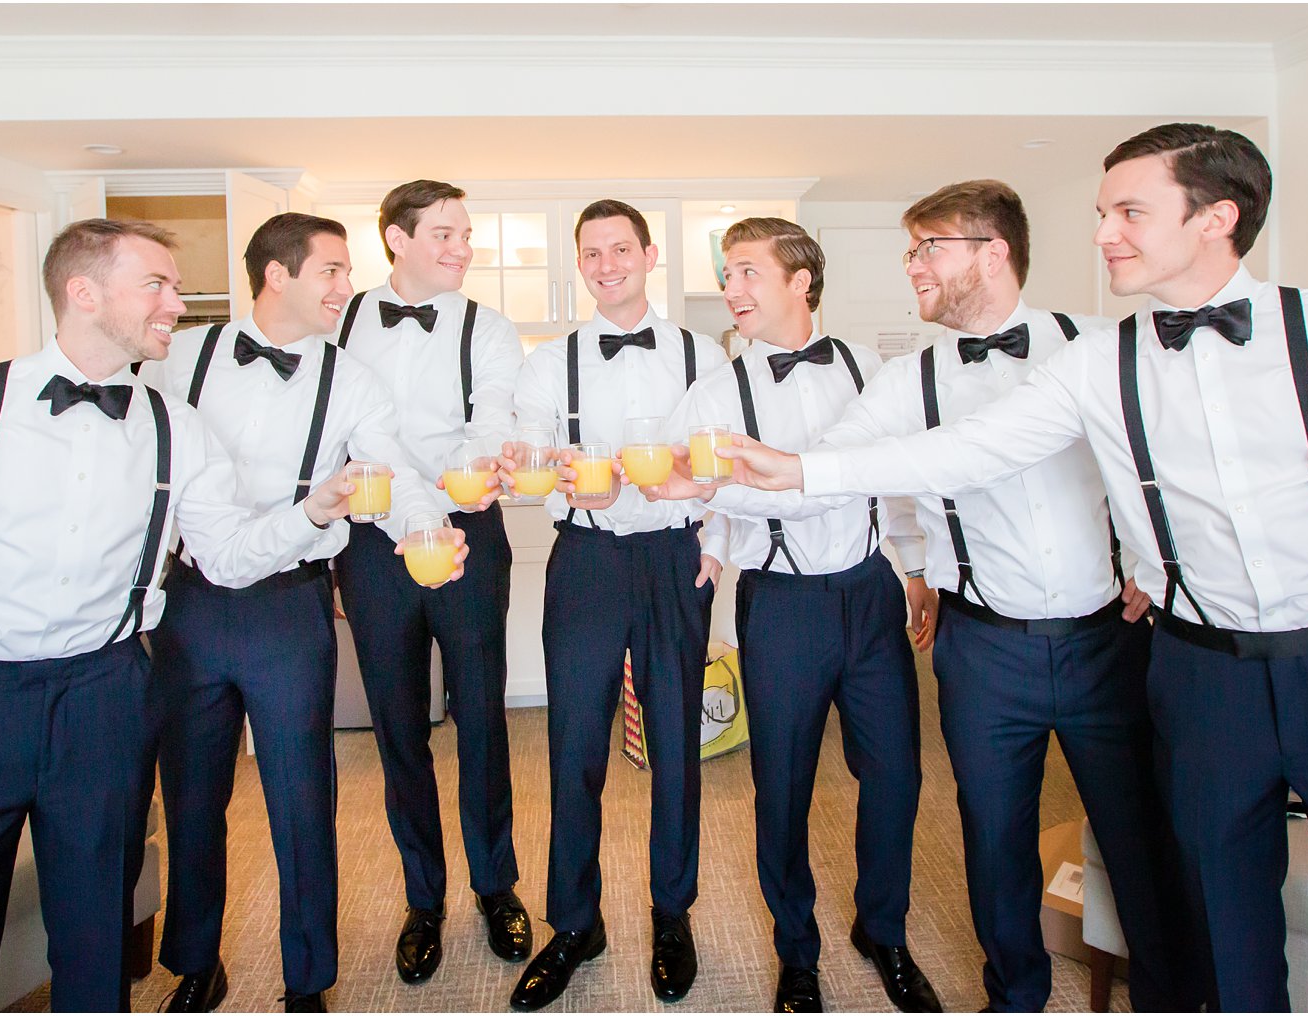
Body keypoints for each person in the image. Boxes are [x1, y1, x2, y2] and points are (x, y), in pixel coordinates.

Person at [718, 124, 1308, 1012]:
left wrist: (1145, 558)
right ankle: (1016, 995)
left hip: (1224, 647)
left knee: (1155, 849)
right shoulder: (1085, 363)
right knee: (1041, 851)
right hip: (1044, 653)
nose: (1103, 233)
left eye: (1128, 211)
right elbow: (966, 454)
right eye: (1104, 214)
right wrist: (767, 476)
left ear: (1218, 217)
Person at [0, 218, 363, 1012]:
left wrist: (317, 511)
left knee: (97, 945)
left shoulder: (176, 427)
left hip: (106, 696)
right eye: (155, 284)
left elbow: (224, 555)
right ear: (82, 292)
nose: (176, 302)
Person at [137, 213, 460, 1013]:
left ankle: (308, 979)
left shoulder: (350, 378)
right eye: (332, 271)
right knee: (193, 793)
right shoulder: (183, 355)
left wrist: (426, 527)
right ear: (276, 275)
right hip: (190, 606)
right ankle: (194, 962)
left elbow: (388, 473)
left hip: (290, 606)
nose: (346, 287)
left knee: (301, 796)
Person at [643, 217, 942, 1014]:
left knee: (897, 778)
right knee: (782, 787)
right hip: (780, 606)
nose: (731, 289)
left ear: (800, 279)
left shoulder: (869, 368)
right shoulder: (710, 395)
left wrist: (913, 570)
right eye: (726, 275)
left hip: (872, 596)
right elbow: (683, 490)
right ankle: (795, 952)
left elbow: (896, 480)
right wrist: (708, 520)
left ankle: (885, 930)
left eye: (746, 272)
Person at [499, 200, 727, 1011]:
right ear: (580, 264)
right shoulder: (544, 363)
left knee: (676, 742)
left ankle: (673, 914)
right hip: (587, 557)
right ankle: (574, 922)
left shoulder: (705, 354)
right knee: (574, 747)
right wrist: (534, 462)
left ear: (649, 254)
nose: (606, 264)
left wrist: (715, 539)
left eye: (620, 248)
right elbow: (521, 454)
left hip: (672, 555)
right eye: (591, 253)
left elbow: (725, 462)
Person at [328, 180, 528, 985]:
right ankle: (423, 897)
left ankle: (495, 886)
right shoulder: (338, 321)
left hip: (467, 532)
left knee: (481, 716)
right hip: (372, 546)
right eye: (443, 233)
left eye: (466, 234)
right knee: (397, 726)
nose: (461, 247)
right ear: (394, 239)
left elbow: (493, 425)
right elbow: (330, 430)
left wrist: (455, 490)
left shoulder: (490, 329)